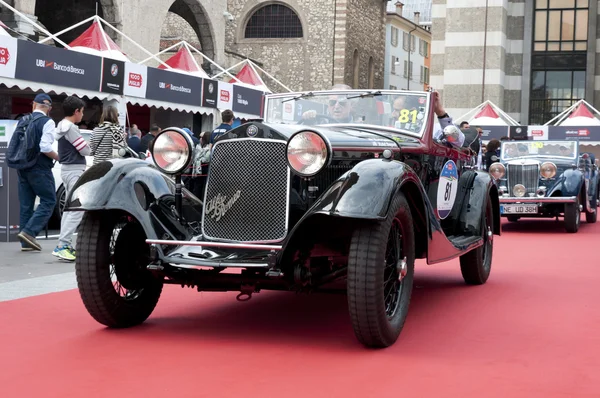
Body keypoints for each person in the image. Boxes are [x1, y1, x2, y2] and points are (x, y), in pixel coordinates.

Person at [7, 94, 58, 251]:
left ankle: (25, 244)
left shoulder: (23, 120)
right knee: (49, 200)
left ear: (34, 105)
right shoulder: (47, 122)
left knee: (26, 205)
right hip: (40, 167)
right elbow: (45, 147)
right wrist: (57, 156)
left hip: (22, 167)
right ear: (49, 108)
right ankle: (29, 233)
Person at [53, 96, 90, 261]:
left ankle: (63, 244)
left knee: (69, 209)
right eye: (82, 111)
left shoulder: (61, 126)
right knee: (76, 209)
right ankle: (63, 245)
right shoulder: (71, 128)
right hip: (75, 170)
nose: (82, 115)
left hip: (67, 170)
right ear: (76, 111)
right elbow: (85, 150)